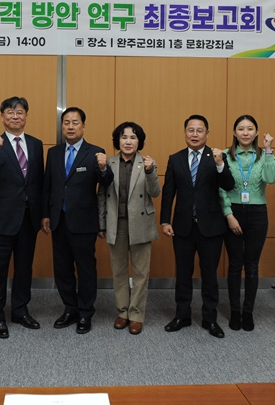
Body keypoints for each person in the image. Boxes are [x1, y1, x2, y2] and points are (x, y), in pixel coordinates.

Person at [0, 96, 45, 339]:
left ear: (26, 115)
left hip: (28, 218)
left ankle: (20, 310)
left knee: (24, 268)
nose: (15, 116)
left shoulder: (36, 145)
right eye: (10, 112)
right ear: (2, 116)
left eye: (19, 112)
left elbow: (39, 183)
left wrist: (42, 215)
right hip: (0, 218)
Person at [160, 114, 234, 338]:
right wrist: (165, 220)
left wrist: (220, 164)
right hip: (182, 226)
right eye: (190, 130)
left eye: (199, 130)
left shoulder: (218, 157)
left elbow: (229, 185)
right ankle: (182, 315)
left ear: (207, 134)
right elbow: (168, 192)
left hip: (211, 227)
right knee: (183, 274)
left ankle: (210, 318)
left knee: (210, 275)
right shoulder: (175, 159)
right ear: (185, 133)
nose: (194, 134)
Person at [42, 107, 113, 335]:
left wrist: (104, 167)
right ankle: (70, 308)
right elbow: (48, 185)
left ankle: (85, 312)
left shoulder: (95, 152)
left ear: (83, 126)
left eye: (75, 122)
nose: (70, 127)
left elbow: (106, 182)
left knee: (85, 269)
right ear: (62, 126)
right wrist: (45, 214)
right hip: (59, 220)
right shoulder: (53, 153)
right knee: (62, 268)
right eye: (66, 122)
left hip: (83, 221)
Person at [219, 115, 275, 332]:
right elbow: (219, 187)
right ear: (234, 133)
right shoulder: (225, 155)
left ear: (256, 133)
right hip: (232, 212)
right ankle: (235, 312)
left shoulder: (264, 155)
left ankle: (248, 312)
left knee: (252, 266)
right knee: (235, 264)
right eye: (241, 129)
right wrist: (228, 214)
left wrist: (269, 150)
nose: (245, 132)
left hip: (257, 214)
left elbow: (272, 178)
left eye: (250, 128)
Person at [99, 121, 160, 335]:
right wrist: (101, 223)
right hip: (116, 223)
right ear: (118, 140)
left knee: (141, 272)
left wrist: (151, 171)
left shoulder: (147, 162)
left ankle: (136, 314)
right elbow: (101, 195)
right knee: (119, 271)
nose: (128, 141)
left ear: (139, 141)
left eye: (133, 137)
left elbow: (155, 192)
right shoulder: (109, 163)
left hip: (140, 223)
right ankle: (122, 312)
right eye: (124, 137)